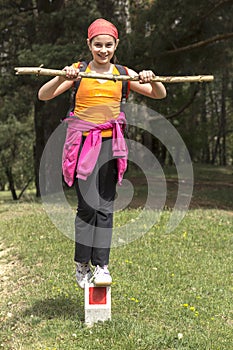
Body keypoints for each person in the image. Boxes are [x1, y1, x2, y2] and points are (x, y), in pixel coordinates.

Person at [38, 18, 166, 289]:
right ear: (89, 44)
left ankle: (102, 266)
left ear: (116, 44)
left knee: (106, 206)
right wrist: (63, 76)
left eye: (109, 45)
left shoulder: (122, 73)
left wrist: (150, 77)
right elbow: (43, 94)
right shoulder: (79, 70)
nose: (103, 50)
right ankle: (82, 264)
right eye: (98, 44)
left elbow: (159, 94)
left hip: (111, 144)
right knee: (87, 206)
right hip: (83, 144)